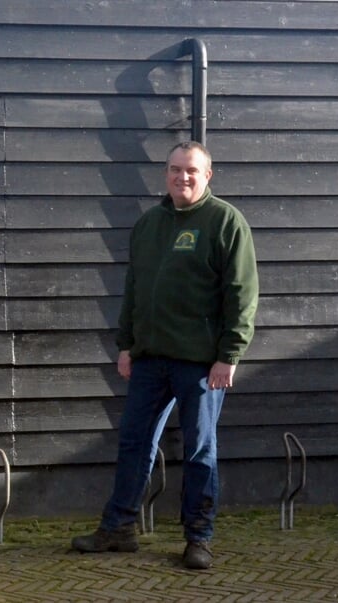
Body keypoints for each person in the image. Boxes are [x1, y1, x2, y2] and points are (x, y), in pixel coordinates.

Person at [71, 142, 259, 570]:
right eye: (175, 170)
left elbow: (242, 295)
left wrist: (229, 355)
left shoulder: (225, 221)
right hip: (150, 360)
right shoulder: (149, 224)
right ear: (166, 174)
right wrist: (126, 344)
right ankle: (119, 528)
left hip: (200, 363)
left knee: (199, 451)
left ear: (208, 175)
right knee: (134, 443)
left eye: (192, 170)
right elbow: (135, 290)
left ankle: (198, 537)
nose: (183, 177)